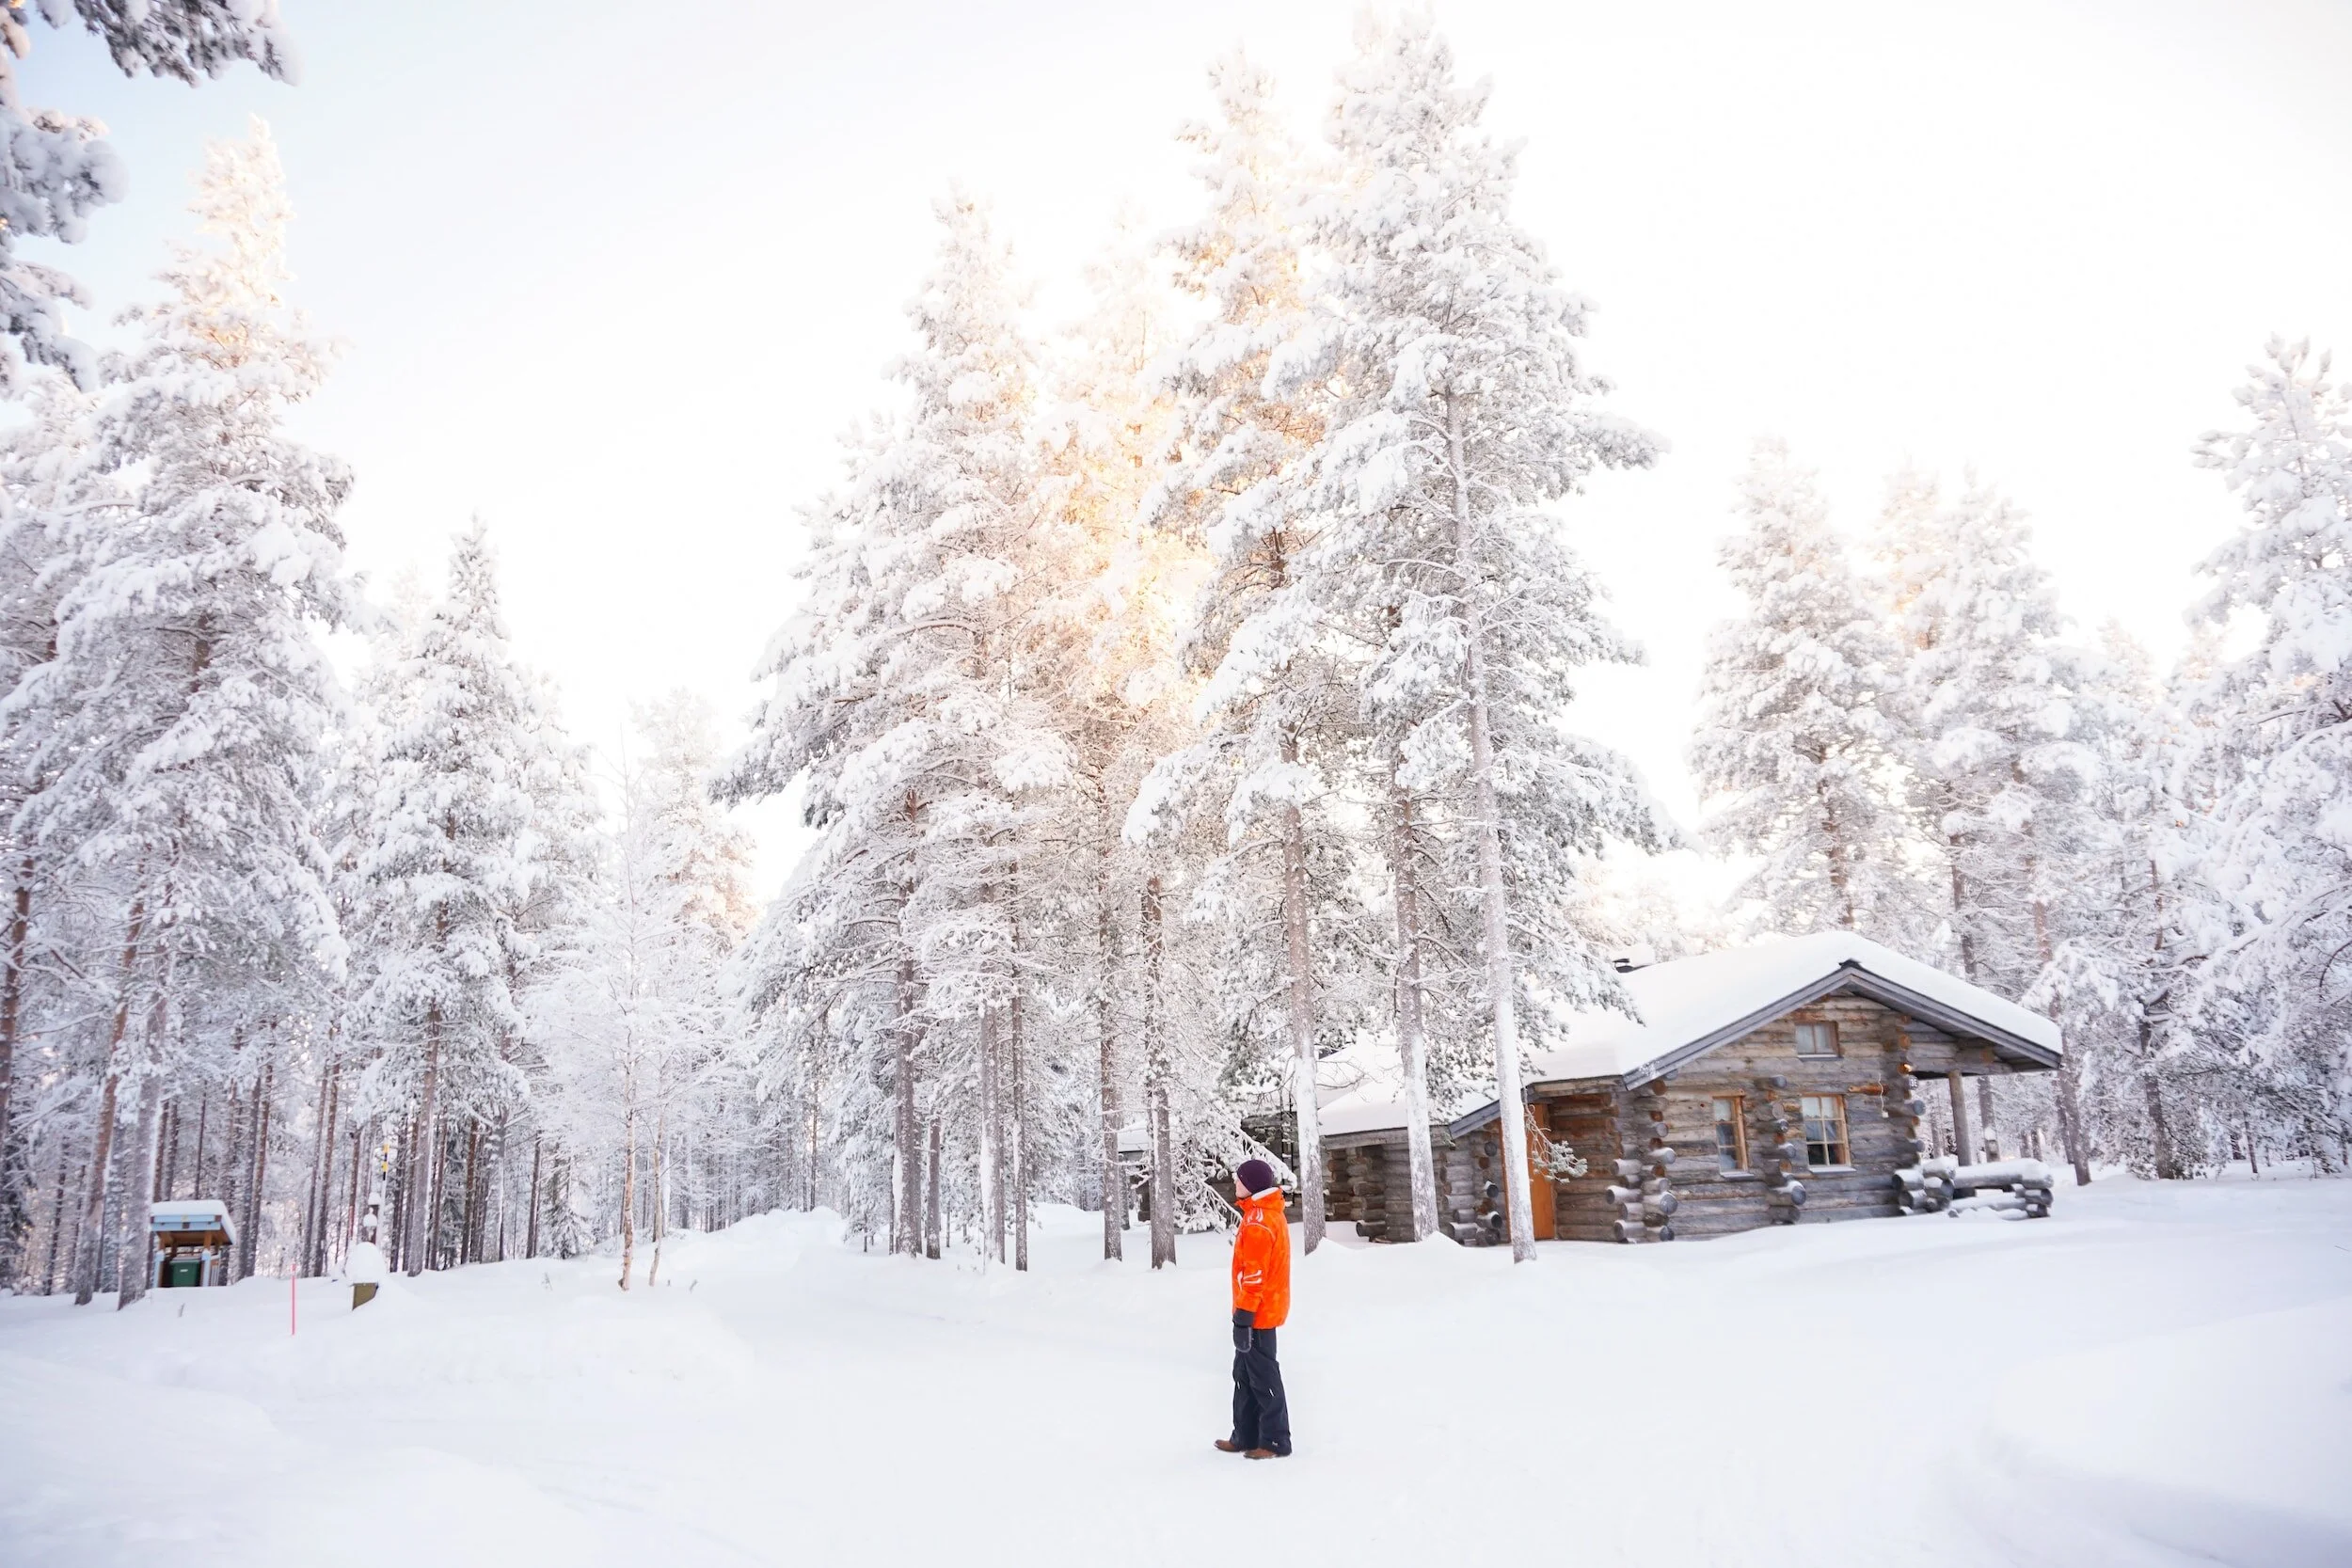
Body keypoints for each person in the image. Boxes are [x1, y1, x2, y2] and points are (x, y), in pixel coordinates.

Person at [1215, 1158, 1292, 1459]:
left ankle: (1274, 1441)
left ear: (1252, 1185)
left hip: (1259, 1312)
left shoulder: (1260, 1221)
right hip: (1255, 1310)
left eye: (1239, 1180)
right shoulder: (1259, 1214)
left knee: (1263, 1376)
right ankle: (1245, 1435)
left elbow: (1254, 1275)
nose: (1236, 1183)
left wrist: (1244, 1318)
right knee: (1244, 1373)